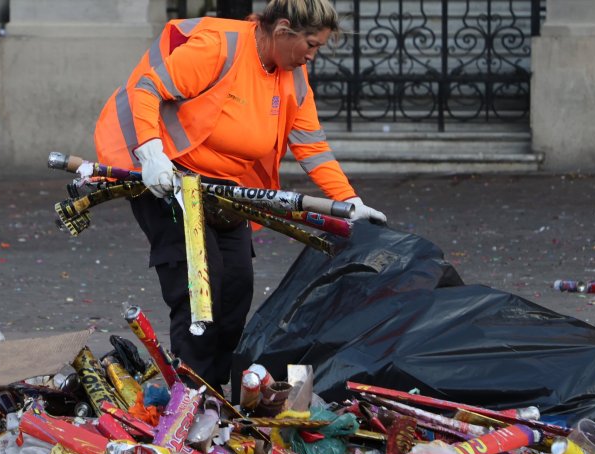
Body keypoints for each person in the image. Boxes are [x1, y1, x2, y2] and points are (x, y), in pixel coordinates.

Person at [92, 0, 386, 392]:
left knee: (235, 289)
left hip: (226, 190)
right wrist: (150, 151)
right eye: (311, 44)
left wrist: (349, 202)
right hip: (168, 178)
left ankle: (217, 399)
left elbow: (311, 147)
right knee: (201, 287)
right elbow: (146, 87)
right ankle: (193, 396)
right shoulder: (220, 47)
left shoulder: (292, 76)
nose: (314, 56)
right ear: (283, 31)